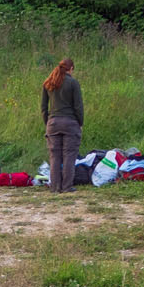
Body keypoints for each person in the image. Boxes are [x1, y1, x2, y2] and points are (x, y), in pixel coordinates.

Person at [41, 57, 83, 192]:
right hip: (70, 123)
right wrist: (80, 122)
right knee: (69, 155)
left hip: (53, 123)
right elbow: (78, 106)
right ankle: (66, 186)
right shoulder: (73, 83)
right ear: (70, 69)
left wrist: (47, 122)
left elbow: (43, 107)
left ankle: (55, 187)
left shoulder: (48, 83)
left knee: (54, 156)